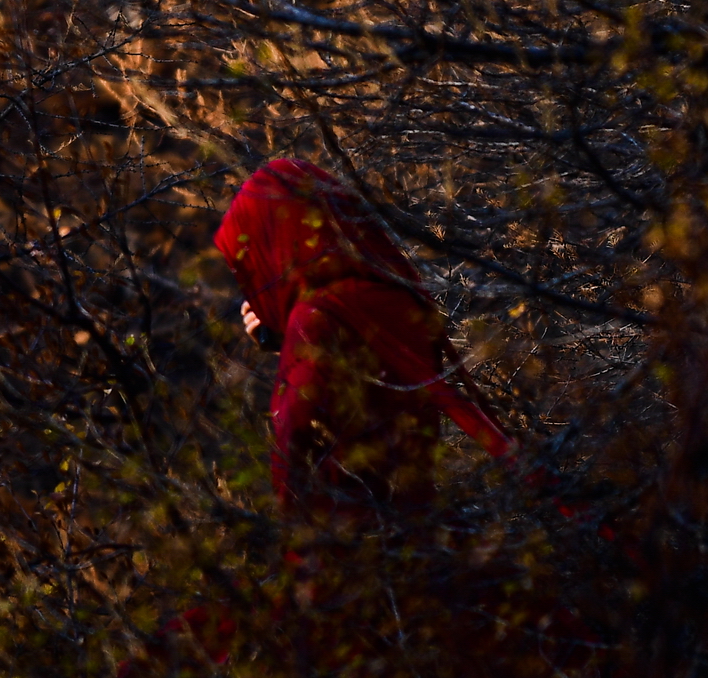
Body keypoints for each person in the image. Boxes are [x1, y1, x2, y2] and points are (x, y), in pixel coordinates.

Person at [214, 158, 515, 515]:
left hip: (360, 540)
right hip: (415, 516)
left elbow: (301, 456)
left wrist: (296, 337)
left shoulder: (317, 321)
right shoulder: (388, 293)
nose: (252, 283)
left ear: (276, 243)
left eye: (249, 264)